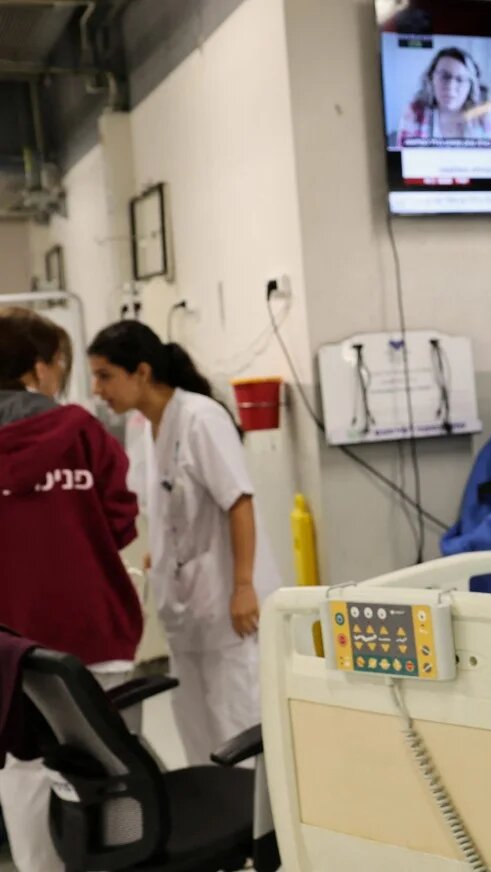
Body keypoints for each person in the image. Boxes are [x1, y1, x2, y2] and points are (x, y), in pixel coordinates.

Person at [87, 321, 281, 768]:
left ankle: (256, 829)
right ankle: (217, 820)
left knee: (238, 718)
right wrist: (160, 549)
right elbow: (163, 503)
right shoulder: (143, 428)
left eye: (105, 376)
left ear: (141, 372)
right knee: (196, 725)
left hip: (229, 603)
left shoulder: (201, 418)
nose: (98, 389)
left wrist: (244, 585)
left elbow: (239, 502)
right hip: (186, 606)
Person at [0, 308, 142, 872]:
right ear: (37, 369)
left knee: (24, 768)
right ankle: (124, 860)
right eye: (59, 362)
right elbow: (121, 522)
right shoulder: (81, 431)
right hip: (94, 624)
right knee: (115, 764)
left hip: (12, 645)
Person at [396, 46, 491, 146]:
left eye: (460, 79)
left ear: (471, 86)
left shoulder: (484, 114)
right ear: (431, 79)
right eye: (444, 76)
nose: (451, 86)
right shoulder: (414, 112)